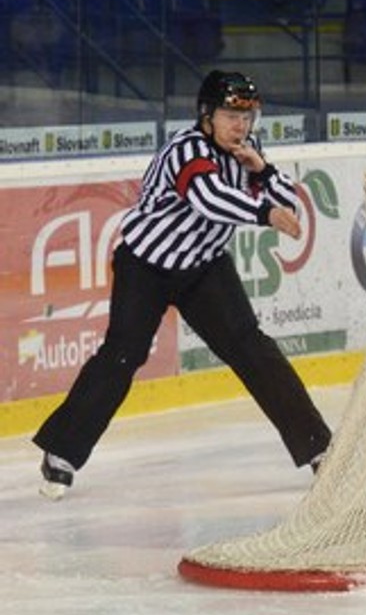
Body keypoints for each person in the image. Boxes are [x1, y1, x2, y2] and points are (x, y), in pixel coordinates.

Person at [32, 70, 333, 500]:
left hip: (204, 268)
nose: (241, 126)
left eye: (247, 117)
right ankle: (61, 453)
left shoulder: (248, 150)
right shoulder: (185, 150)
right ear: (207, 116)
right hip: (146, 267)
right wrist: (264, 214)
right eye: (231, 115)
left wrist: (263, 170)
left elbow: (284, 198)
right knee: (122, 355)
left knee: (253, 349)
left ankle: (318, 448)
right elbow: (208, 198)